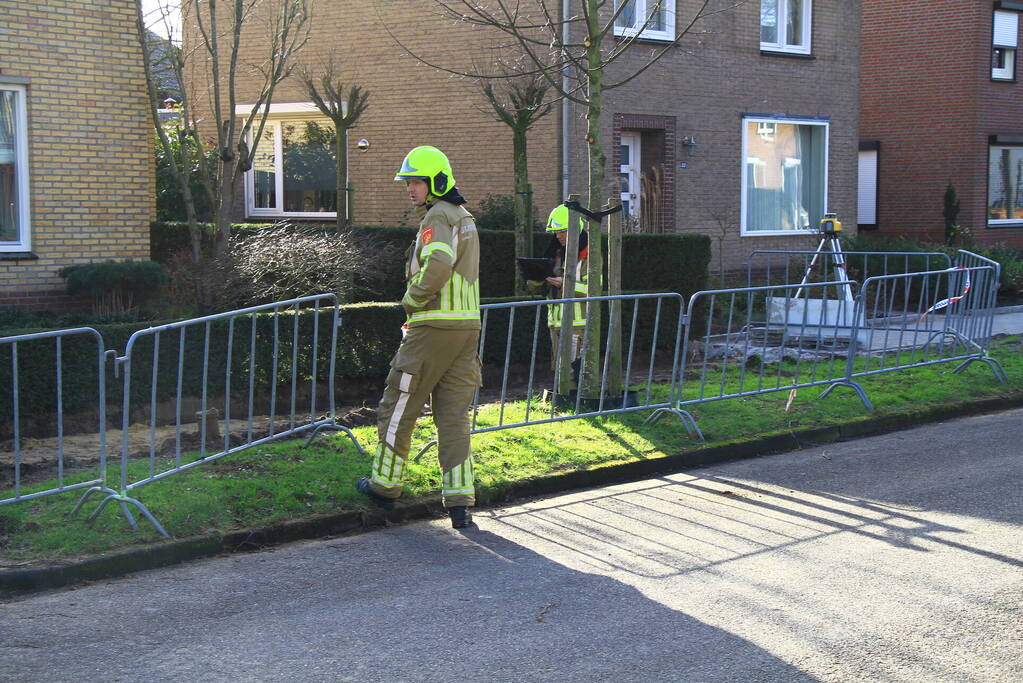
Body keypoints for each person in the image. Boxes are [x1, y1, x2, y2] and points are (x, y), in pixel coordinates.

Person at [355, 146, 482, 529]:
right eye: (407, 182)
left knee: (397, 406)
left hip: (432, 328)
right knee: (453, 417)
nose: (409, 189)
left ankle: (384, 486)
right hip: (466, 329)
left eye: (416, 182)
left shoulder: (438, 215)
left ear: (436, 182)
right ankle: (459, 502)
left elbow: (439, 263)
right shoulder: (463, 216)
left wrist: (412, 298)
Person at [527, 204, 591, 379]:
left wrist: (565, 284)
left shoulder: (589, 255)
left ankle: (573, 395)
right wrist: (535, 277)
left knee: (572, 372)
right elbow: (537, 288)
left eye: (562, 231)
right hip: (556, 323)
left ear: (575, 229)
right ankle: (565, 395)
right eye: (556, 232)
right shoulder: (555, 254)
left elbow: (594, 290)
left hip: (576, 324)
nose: (558, 236)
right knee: (560, 370)